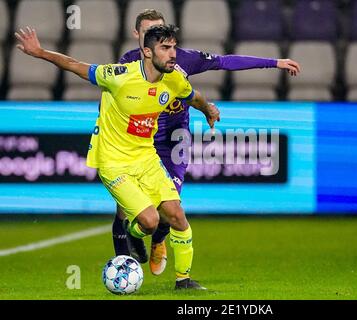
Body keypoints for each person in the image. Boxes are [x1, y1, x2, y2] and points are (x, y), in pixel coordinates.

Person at [15, 24, 219, 290]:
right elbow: (75, 64)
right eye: (165, 48)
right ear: (147, 51)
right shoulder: (120, 76)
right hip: (113, 161)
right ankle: (136, 235)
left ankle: (184, 281)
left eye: (174, 48)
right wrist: (39, 52)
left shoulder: (175, 79)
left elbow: (194, 97)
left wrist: (208, 110)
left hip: (146, 157)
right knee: (150, 221)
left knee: (176, 215)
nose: (173, 54)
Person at [113, 9, 301, 276]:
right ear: (137, 36)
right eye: (149, 32)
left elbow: (225, 62)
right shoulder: (128, 63)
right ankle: (125, 265)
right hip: (140, 140)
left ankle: (158, 241)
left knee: (171, 205)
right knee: (123, 208)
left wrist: (274, 62)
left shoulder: (182, 60)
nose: (158, 36)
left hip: (173, 139)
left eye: (161, 30)